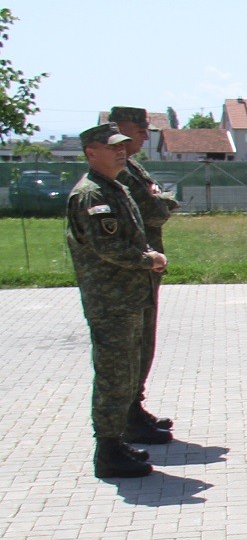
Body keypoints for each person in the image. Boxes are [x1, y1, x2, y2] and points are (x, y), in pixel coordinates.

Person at [65, 124, 165, 478]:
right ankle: (107, 452)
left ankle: (117, 441)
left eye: (123, 146)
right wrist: (148, 260)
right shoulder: (91, 195)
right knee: (113, 374)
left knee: (124, 372)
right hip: (111, 301)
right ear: (91, 152)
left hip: (127, 297)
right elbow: (107, 246)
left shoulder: (114, 187)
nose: (121, 151)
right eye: (112, 148)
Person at [110, 106, 180, 443]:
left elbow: (155, 205)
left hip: (143, 269)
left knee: (143, 342)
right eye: (138, 126)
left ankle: (133, 408)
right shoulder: (118, 169)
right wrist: (164, 201)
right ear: (116, 127)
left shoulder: (132, 165)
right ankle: (126, 416)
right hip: (128, 274)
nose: (144, 132)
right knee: (131, 346)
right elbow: (153, 210)